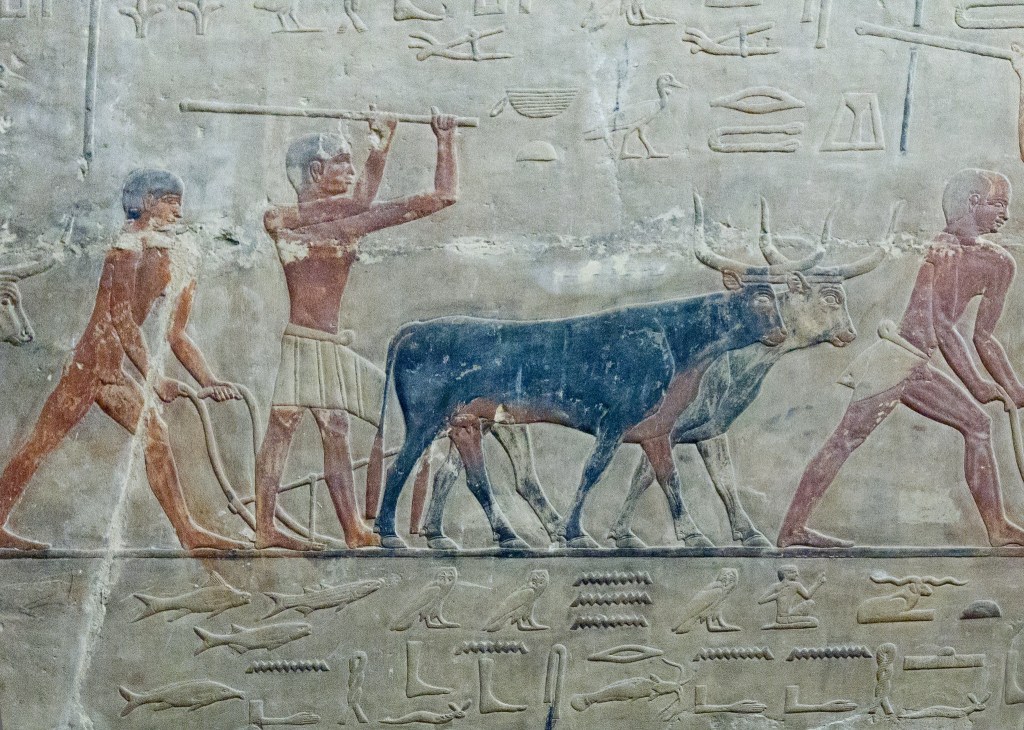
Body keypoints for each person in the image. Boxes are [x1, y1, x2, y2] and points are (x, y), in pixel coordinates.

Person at [778, 168, 1024, 548]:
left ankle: (997, 528)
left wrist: (1012, 387)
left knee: (976, 425)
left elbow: (985, 337)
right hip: (897, 359)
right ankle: (793, 529)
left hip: (914, 364)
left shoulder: (998, 262)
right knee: (847, 438)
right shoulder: (943, 251)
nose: (1006, 215)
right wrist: (977, 384)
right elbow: (942, 326)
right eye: (999, 204)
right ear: (973, 202)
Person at [0, 169, 245, 550]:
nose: (179, 212)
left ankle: (186, 531)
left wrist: (208, 380)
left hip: (110, 370)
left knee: (155, 434)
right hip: (89, 367)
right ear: (147, 203)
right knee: (41, 443)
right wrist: (154, 378)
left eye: (179, 204)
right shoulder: (126, 247)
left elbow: (176, 334)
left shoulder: (169, 254)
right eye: (171, 202)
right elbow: (121, 318)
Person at [256, 108, 459, 550]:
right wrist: (380, 145)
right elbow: (360, 202)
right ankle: (274, 529)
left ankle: (342, 527)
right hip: (307, 343)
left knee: (319, 427)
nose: (350, 171)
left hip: (323, 344)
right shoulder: (281, 217)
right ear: (315, 171)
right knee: (295, 427)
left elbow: (444, 196)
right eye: (342, 162)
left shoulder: (349, 221)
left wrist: (445, 140)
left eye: (353, 162)